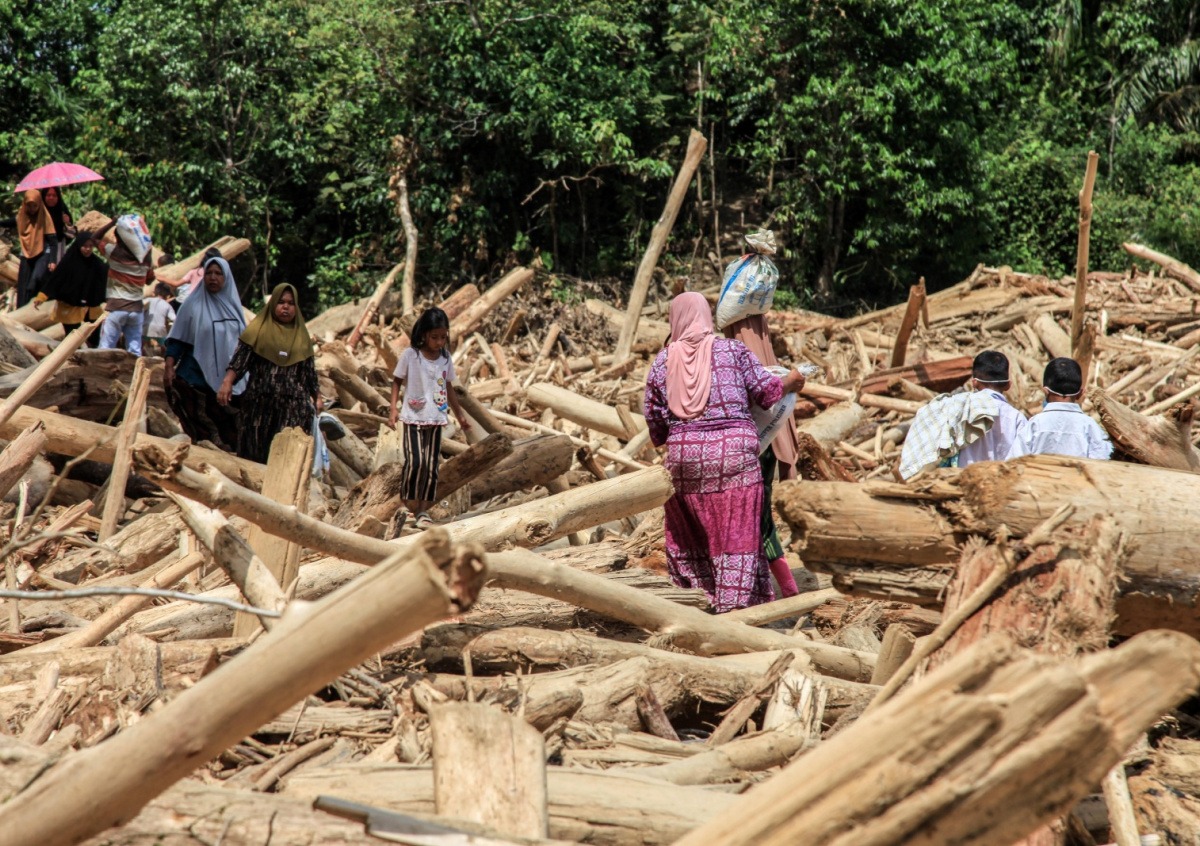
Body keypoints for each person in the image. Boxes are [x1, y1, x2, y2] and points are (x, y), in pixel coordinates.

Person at [644, 292, 806, 613]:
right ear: (706, 317)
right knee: (737, 533)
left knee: (691, 535)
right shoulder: (732, 350)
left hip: (685, 463)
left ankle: (698, 600)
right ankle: (735, 607)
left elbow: (656, 427)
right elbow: (766, 392)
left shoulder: (662, 361)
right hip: (735, 460)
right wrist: (791, 380)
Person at [723, 313, 802, 598]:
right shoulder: (761, 349)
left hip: (749, 449)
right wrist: (790, 382)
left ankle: (787, 589)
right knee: (759, 518)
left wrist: (788, 382)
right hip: (761, 446)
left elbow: (761, 394)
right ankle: (781, 586)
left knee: (757, 520)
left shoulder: (735, 350)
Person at [216, 283, 321, 464]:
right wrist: (227, 383)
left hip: (293, 407)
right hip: (259, 404)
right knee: (254, 455)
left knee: (287, 458)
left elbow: (309, 373)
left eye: (290, 303)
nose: (286, 307)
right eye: (281, 302)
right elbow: (239, 361)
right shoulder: (257, 330)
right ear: (273, 304)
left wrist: (317, 397)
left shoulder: (301, 336)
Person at [388, 307, 471, 528]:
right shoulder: (411, 355)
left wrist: (460, 415)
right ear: (424, 334)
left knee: (431, 465)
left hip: (436, 417)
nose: (439, 342)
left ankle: (422, 510)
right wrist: (393, 409)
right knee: (415, 461)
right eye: (434, 337)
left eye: (443, 337)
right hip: (413, 416)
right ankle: (405, 504)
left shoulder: (445, 358)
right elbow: (397, 380)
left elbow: (449, 387)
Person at [163, 256, 245, 450]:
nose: (213, 277)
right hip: (196, 376)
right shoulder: (192, 305)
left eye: (218, 273)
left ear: (226, 278)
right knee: (200, 423)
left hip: (228, 379)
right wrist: (169, 366)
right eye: (209, 273)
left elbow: (243, 346)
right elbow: (178, 339)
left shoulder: (234, 308)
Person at [1008, 357, 1113, 460]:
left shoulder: (1034, 425)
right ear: (1081, 394)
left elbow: (1013, 462)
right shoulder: (1090, 427)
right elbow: (1103, 462)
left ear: (1045, 391)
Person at [956, 350, 1031, 468]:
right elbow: (1022, 459)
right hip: (1003, 478)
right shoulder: (1017, 419)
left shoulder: (960, 409)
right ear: (1008, 385)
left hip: (964, 477)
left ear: (974, 383)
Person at [33, 230, 107, 338]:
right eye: (85, 246)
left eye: (91, 246)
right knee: (72, 335)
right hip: (70, 306)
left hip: (90, 306)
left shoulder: (97, 263)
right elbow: (55, 280)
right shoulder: (68, 262)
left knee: (95, 335)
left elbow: (105, 280)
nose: (88, 249)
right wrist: (42, 297)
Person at [98, 219, 155, 355]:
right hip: (136, 310)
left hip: (117, 308)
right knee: (135, 350)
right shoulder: (146, 258)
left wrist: (112, 222)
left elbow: (95, 238)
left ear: (118, 238)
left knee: (105, 348)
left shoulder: (114, 253)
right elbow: (150, 280)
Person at [2, 190, 58, 307]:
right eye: (29, 206)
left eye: (34, 206)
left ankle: (37, 306)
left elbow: (53, 241)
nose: (32, 209)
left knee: (36, 279)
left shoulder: (44, 217)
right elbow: (10, 222)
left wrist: (52, 260)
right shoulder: (22, 216)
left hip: (43, 253)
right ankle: (22, 308)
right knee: (23, 284)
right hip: (26, 253)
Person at [39, 187, 72, 263]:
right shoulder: (38, 212)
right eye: (48, 195)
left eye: (54, 195)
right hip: (40, 247)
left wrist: (67, 223)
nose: (51, 198)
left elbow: (71, 235)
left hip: (59, 248)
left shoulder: (62, 211)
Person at [143, 282, 175, 354]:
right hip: (160, 329)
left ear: (153, 293)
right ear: (168, 296)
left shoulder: (147, 300)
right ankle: (165, 356)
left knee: (141, 344)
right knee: (164, 346)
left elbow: (140, 308)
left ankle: (140, 356)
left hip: (146, 327)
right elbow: (173, 318)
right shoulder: (167, 305)